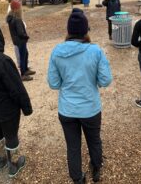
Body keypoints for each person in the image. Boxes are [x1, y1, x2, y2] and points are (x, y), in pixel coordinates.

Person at [47, 12, 112, 183]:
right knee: (94, 140)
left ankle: (77, 178)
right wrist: (93, 80)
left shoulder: (57, 51)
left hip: (67, 109)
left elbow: (53, 83)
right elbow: (105, 80)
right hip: (90, 108)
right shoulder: (95, 51)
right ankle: (96, 168)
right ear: (85, 30)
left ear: (69, 30)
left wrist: (67, 81)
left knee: (73, 146)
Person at [0, 23, 33, 178]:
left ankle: (1, 161)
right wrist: (26, 107)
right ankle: (14, 165)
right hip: (6, 108)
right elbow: (16, 88)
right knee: (11, 135)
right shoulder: (2, 61)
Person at [6, 0, 35, 81]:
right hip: (21, 41)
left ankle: (26, 69)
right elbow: (20, 32)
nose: (21, 9)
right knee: (23, 57)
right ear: (16, 9)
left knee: (25, 54)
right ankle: (23, 74)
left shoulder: (11, 18)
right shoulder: (17, 19)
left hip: (17, 41)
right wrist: (26, 36)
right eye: (19, 8)